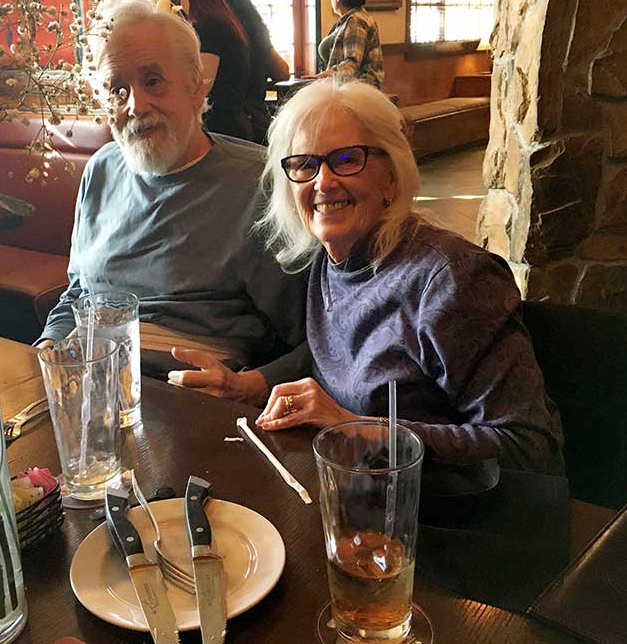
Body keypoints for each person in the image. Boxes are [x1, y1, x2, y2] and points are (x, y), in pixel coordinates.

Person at [177, 77, 564, 474]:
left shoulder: (453, 280)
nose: (323, 182)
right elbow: (337, 349)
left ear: (392, 175)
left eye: (347, 159)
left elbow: (530, 447)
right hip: (354, 495)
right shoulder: (330, 258)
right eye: (305, 164)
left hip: (442, 518)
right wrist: (249, 385)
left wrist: (357, 430)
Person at [37, 0, 307, 405]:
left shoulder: (262, 183)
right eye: (116, 89)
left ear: (198, 89)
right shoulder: (101, 170)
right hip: (87, 388)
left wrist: (252, 385)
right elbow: (77, 293)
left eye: (153, 81)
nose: (135, 105)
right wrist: (49, 353)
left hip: (192, 403)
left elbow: (322, 334)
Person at [175, 0, 253, 140]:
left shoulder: (208, 27)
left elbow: (204, 82)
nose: (181, 6)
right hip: (235, 120)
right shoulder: (226, 23)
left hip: (221, 124)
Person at [216, 0, 290, 144]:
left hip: (226, 128)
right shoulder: (256, 33)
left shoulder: (214, 36)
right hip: (257, 120)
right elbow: (283, 72)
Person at [318, 0, 385, 90]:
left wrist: (324, 76)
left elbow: (352, 63)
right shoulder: (349, 19)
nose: (331, 0)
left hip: (358, 90)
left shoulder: (356, 21)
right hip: (346, 86)